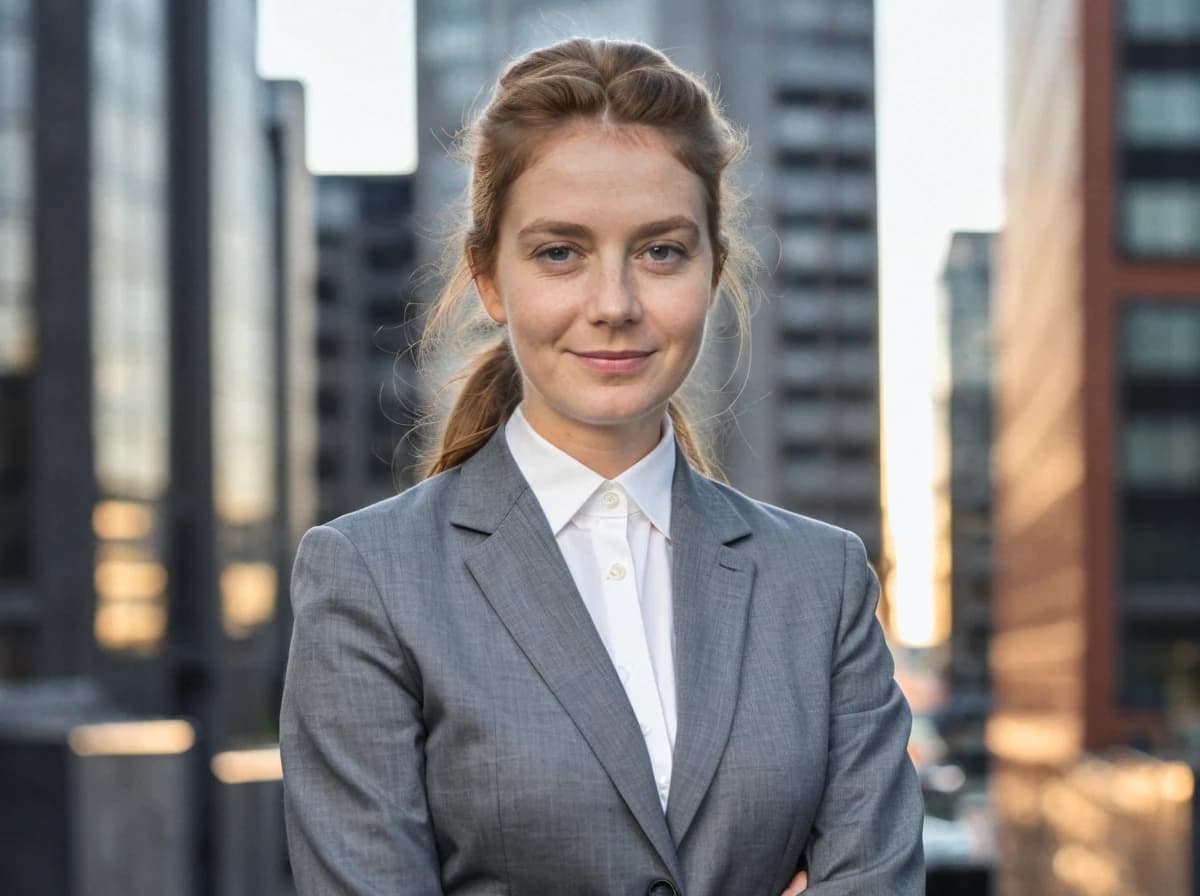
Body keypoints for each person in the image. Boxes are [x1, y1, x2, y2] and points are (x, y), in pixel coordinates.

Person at [280, 37, 924, 895]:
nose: (615, 305)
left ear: (712, 272)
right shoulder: (370, 579)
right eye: (560, 253)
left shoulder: (822, 581)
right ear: (490, 278)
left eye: (661, 251)